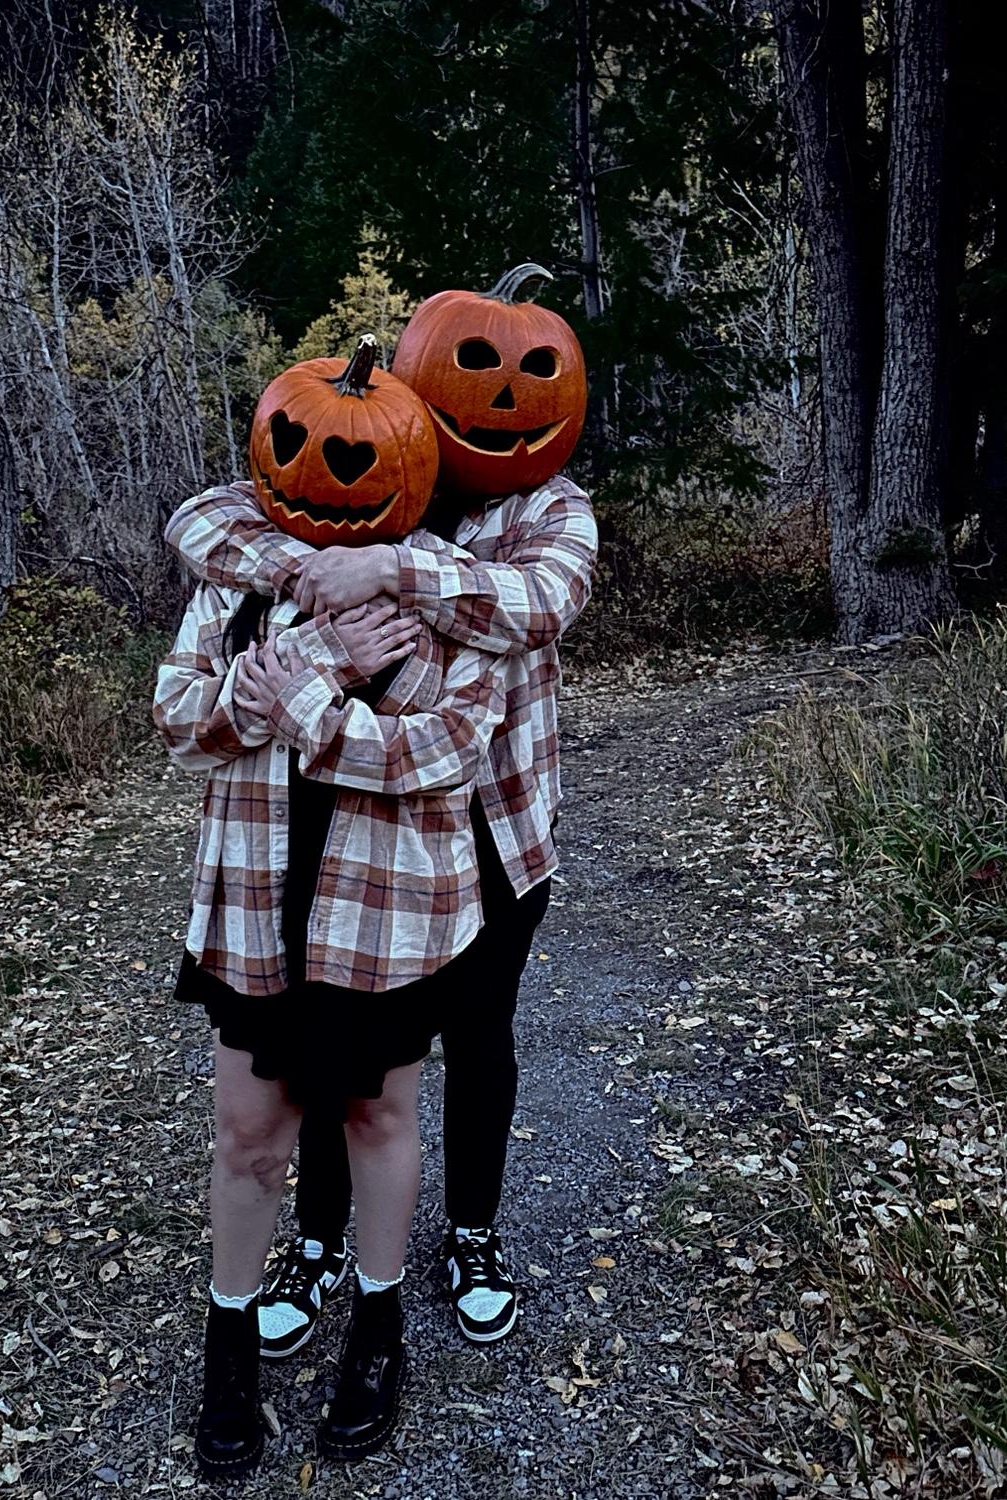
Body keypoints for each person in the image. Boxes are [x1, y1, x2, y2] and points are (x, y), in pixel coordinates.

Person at [165, 468, 597, 1351]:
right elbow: (207, 519)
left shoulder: (544, 506)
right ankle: (320, 1239)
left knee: (480, 1036)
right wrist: (310, 572)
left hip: (496, 830)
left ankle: (473, 1233)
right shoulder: (375, 474)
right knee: (342, 1046)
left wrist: (392, 572)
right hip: (373, 835)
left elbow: (543, 599)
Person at [154, 549, 511, 1475]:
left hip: (385, 912)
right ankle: (227, 1351)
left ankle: (377, 1331)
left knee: (375, 1115)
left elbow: (452, 751)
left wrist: (303, 699)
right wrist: (328, 658)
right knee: (249, 1137)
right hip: (255, 902)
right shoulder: (235, 585)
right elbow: (181, 722)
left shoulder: (448, 593)